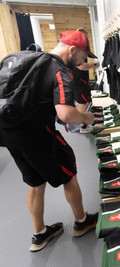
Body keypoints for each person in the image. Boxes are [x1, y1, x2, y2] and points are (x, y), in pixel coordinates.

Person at [0, 30, 98, 252]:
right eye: (84, 55)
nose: (84, 61)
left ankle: (40, 234)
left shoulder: (26, 59)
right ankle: (82, 222)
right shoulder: (58, 71)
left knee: (34, 182)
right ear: (72, 49)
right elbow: (65, 114)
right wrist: (85, 117)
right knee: (69, 173)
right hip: (37, 135)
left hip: (9, 134)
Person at [66, 28, 100, 133]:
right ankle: (81, 126)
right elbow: (81, 66)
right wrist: (95, 65)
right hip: (79, 81)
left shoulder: (81, 49)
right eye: (86, 37)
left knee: (82, 103)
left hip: (79, 80)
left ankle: (79, 124)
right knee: (82, 103)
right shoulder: (79, 49)